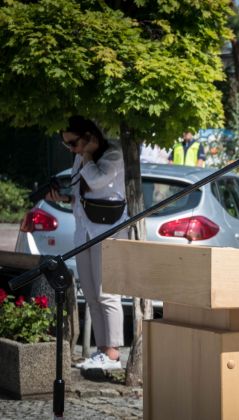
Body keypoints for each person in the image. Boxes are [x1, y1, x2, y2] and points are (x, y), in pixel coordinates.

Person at [46, 115, 127, 370]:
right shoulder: (81, 156)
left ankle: (113, 352)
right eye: (67, 146)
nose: (72, 150)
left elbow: (97, 181)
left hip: (107, 232)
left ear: (90, 137)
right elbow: (82, 190)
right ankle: (102, 351)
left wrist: (89, 155)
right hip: (85, 231)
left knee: (107, 293)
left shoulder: (113, 154)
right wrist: (63, 196)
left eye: (74, 143)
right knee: (91, 294)